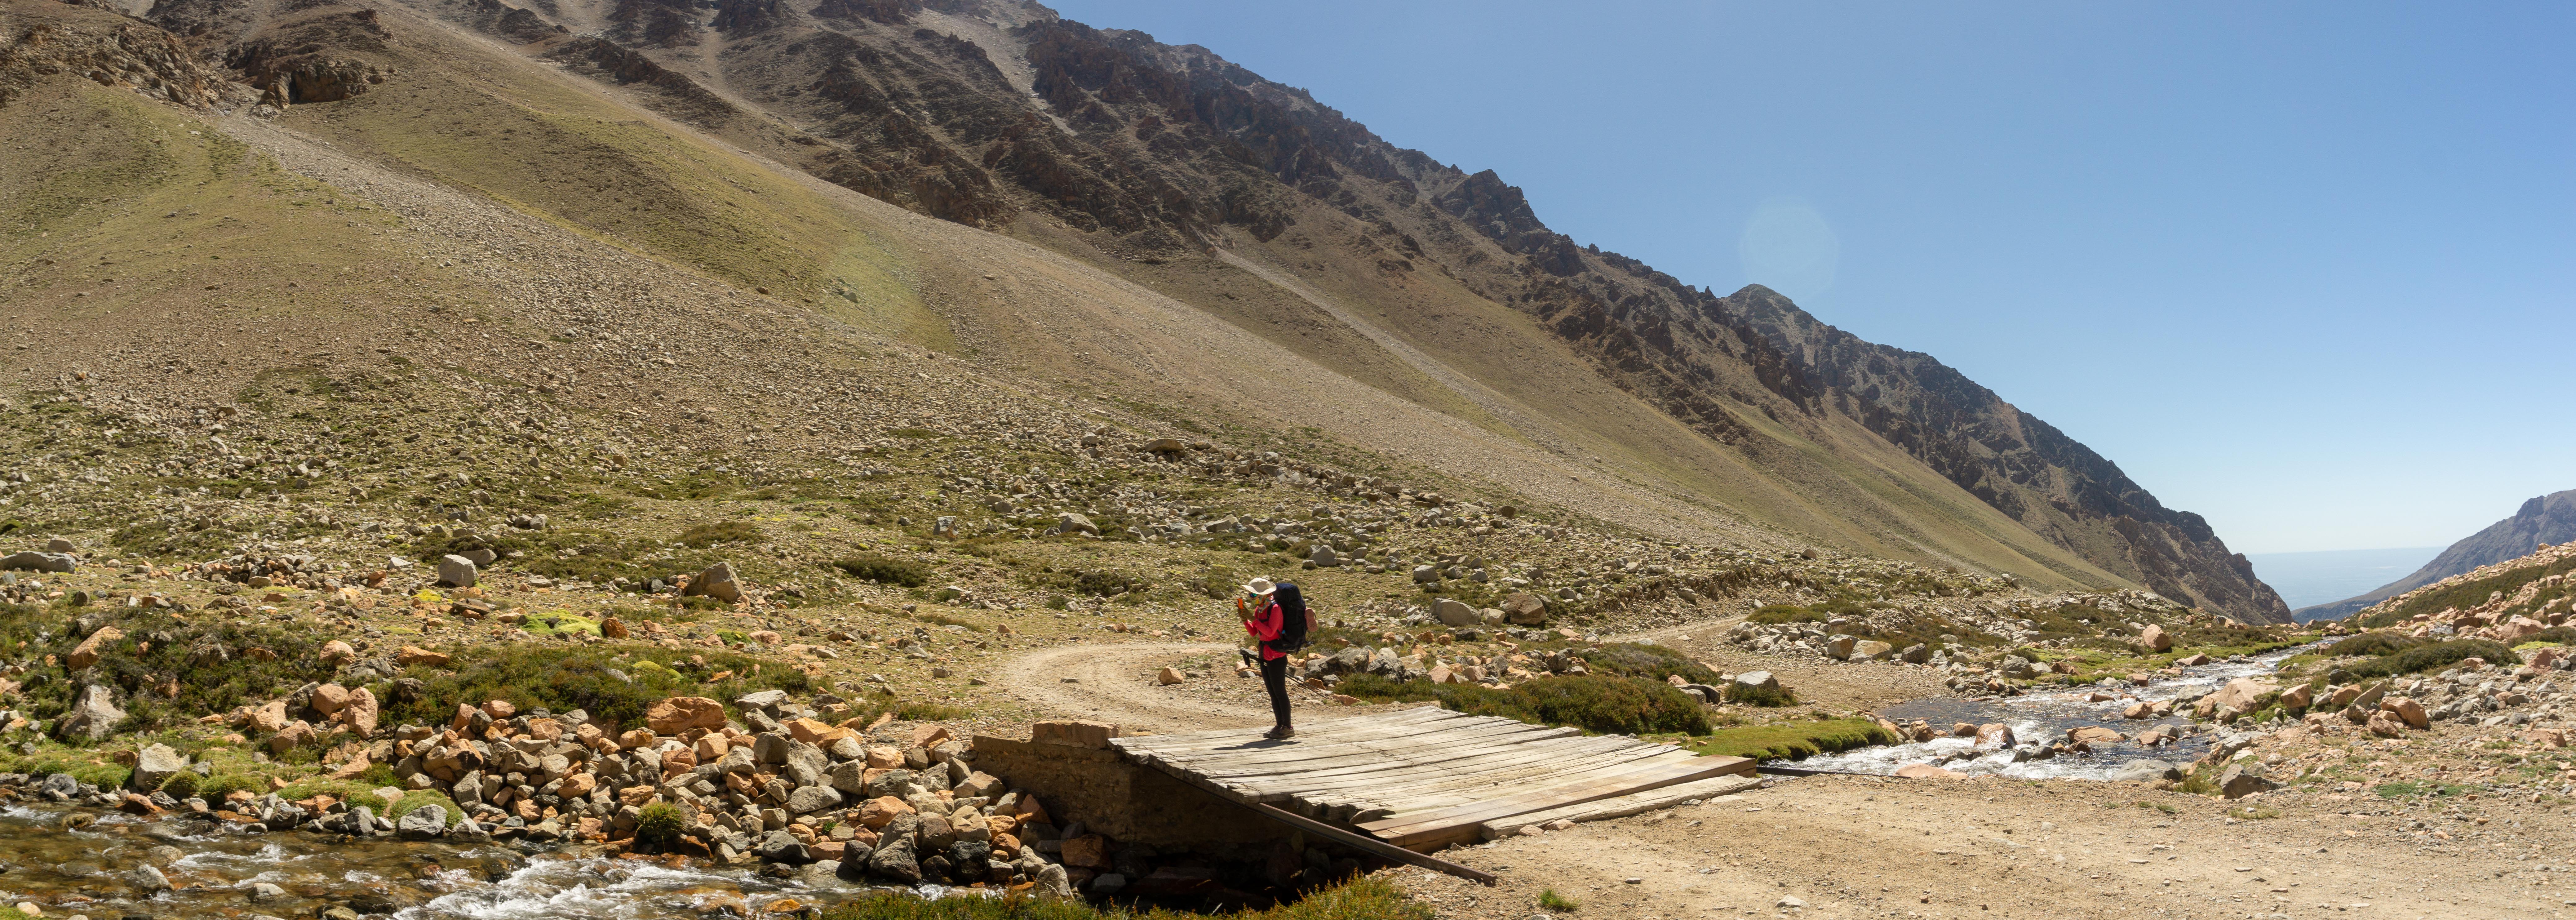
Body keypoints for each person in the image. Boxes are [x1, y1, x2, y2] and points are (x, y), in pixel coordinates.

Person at [1238, 576, 1297, 740]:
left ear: (1262, 595)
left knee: (1280, 692)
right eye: (1251, 595)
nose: (1251, 597)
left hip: (1277, 656)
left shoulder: (1275, 609)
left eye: (1252, 595)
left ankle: (1288, 727)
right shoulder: (1261, 609)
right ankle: (1280, 726)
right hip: (1265, 655)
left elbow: (1271, 633)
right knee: (1273, 693)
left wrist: (1254, 620)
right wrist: (1246, 620)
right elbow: (1254, 633)